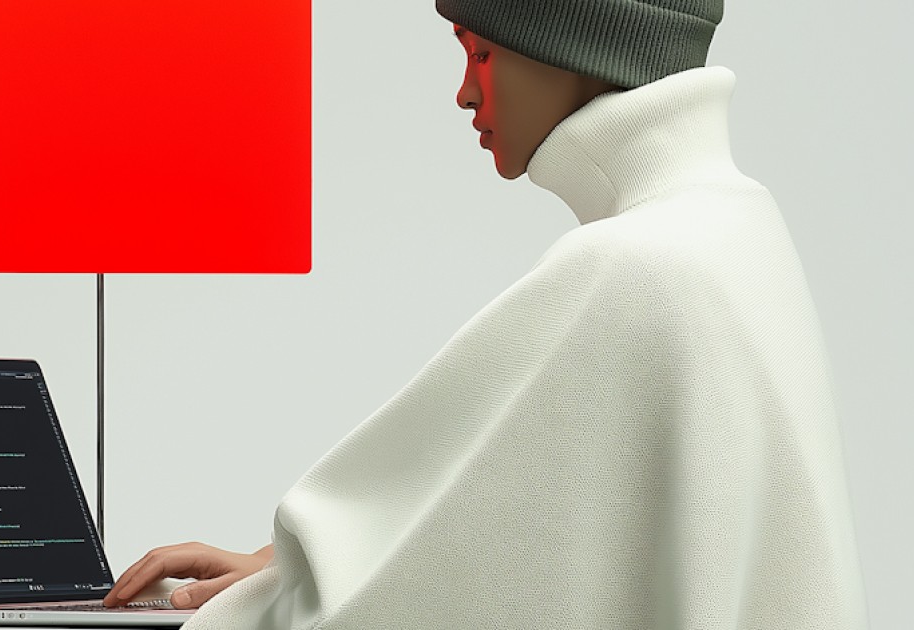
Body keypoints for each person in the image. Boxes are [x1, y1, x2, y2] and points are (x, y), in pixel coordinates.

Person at [105, 1, 870, 628]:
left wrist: (252, 610)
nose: (465, 93)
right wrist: (282, 574)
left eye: (479, 52)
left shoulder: (633, 268)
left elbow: (431, 607)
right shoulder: (738, 225)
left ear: (567, 44)